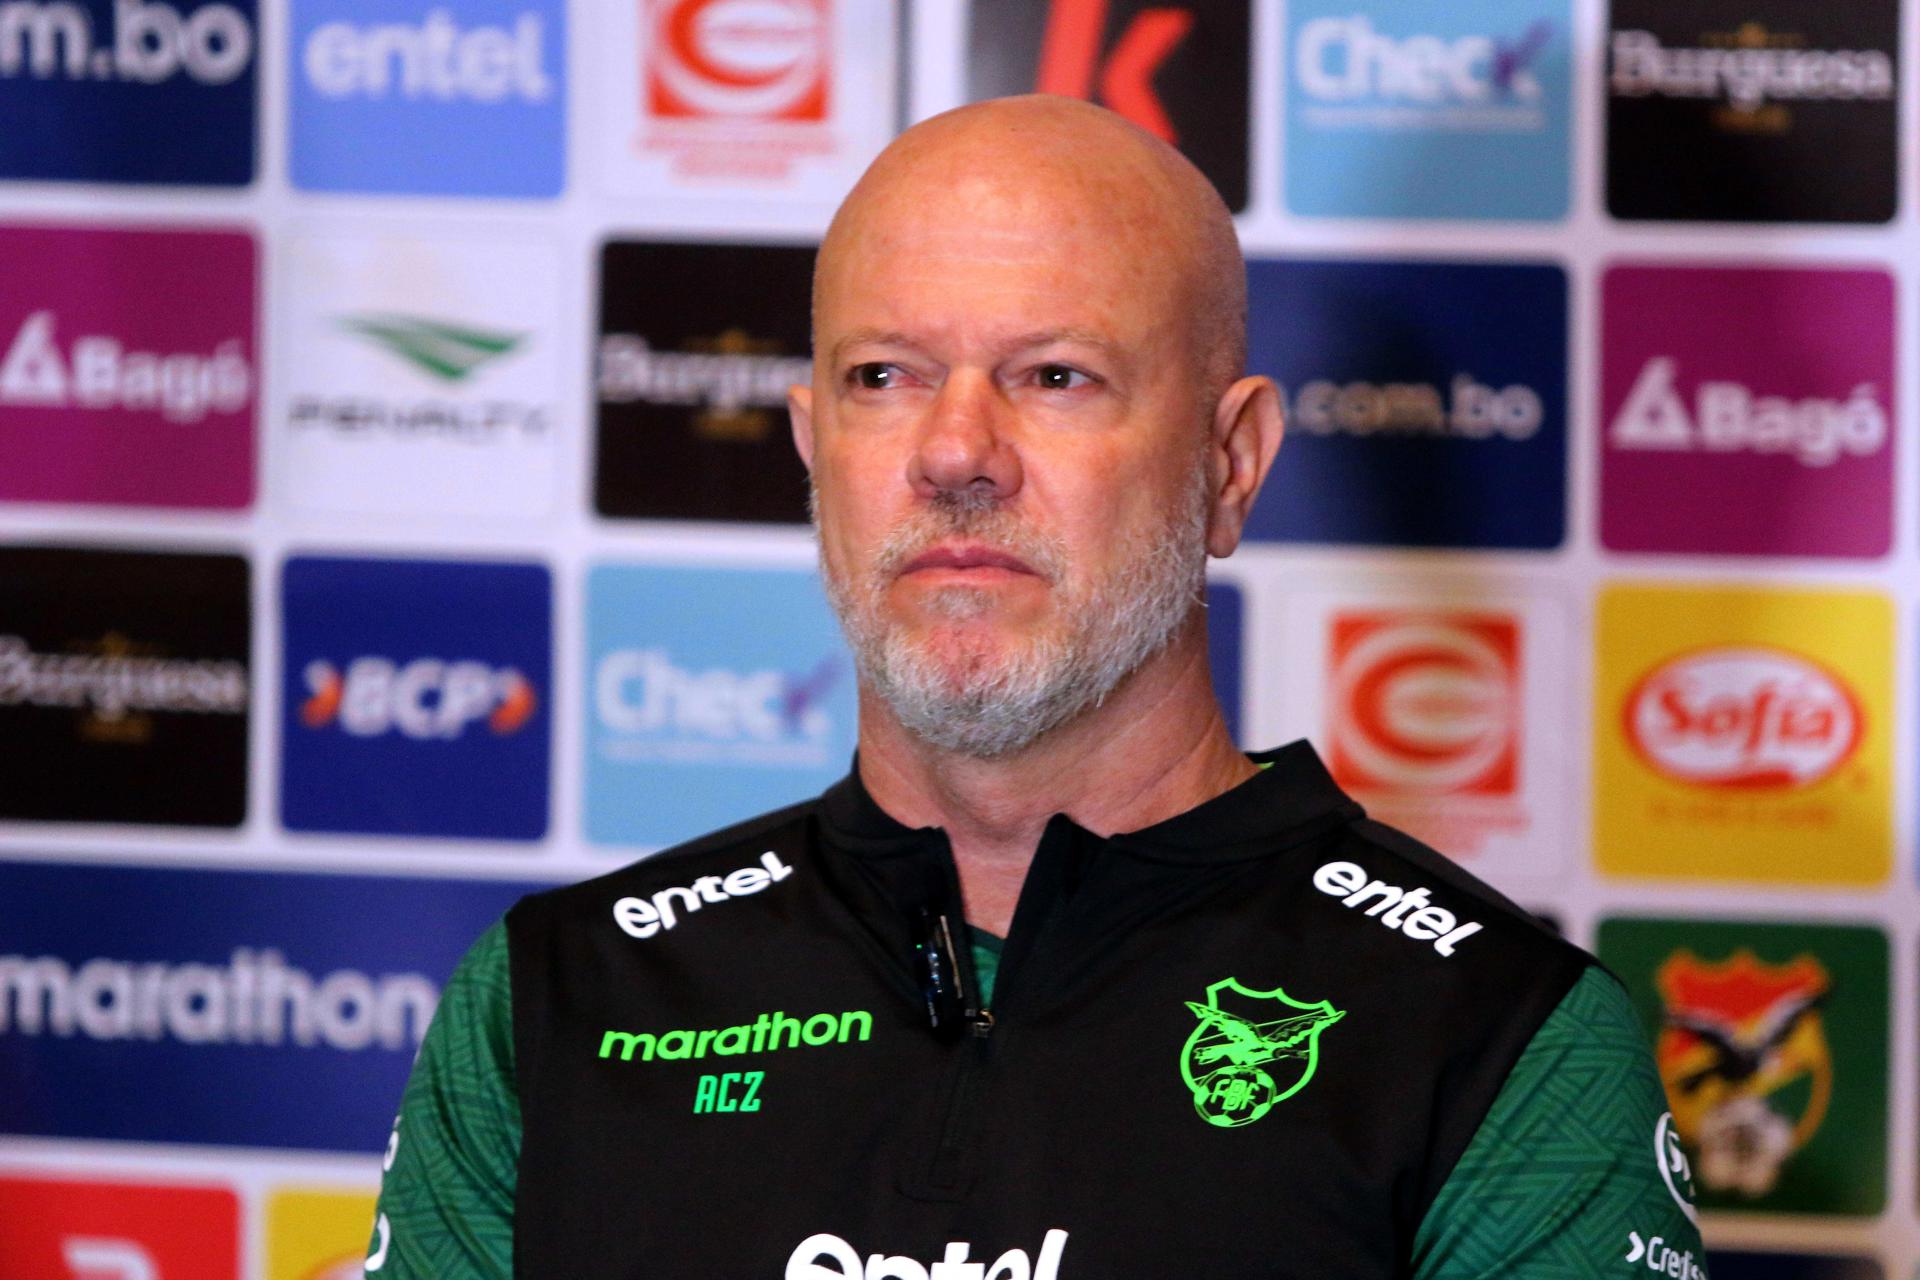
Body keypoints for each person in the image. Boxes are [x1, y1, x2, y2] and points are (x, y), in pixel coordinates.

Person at [367, 96, 1705, 1278]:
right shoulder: (555, 1000)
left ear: (1230, 463)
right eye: (883, 378)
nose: (956, 453)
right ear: (811, 450)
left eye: (1055, 377)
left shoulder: (1497, 1038)